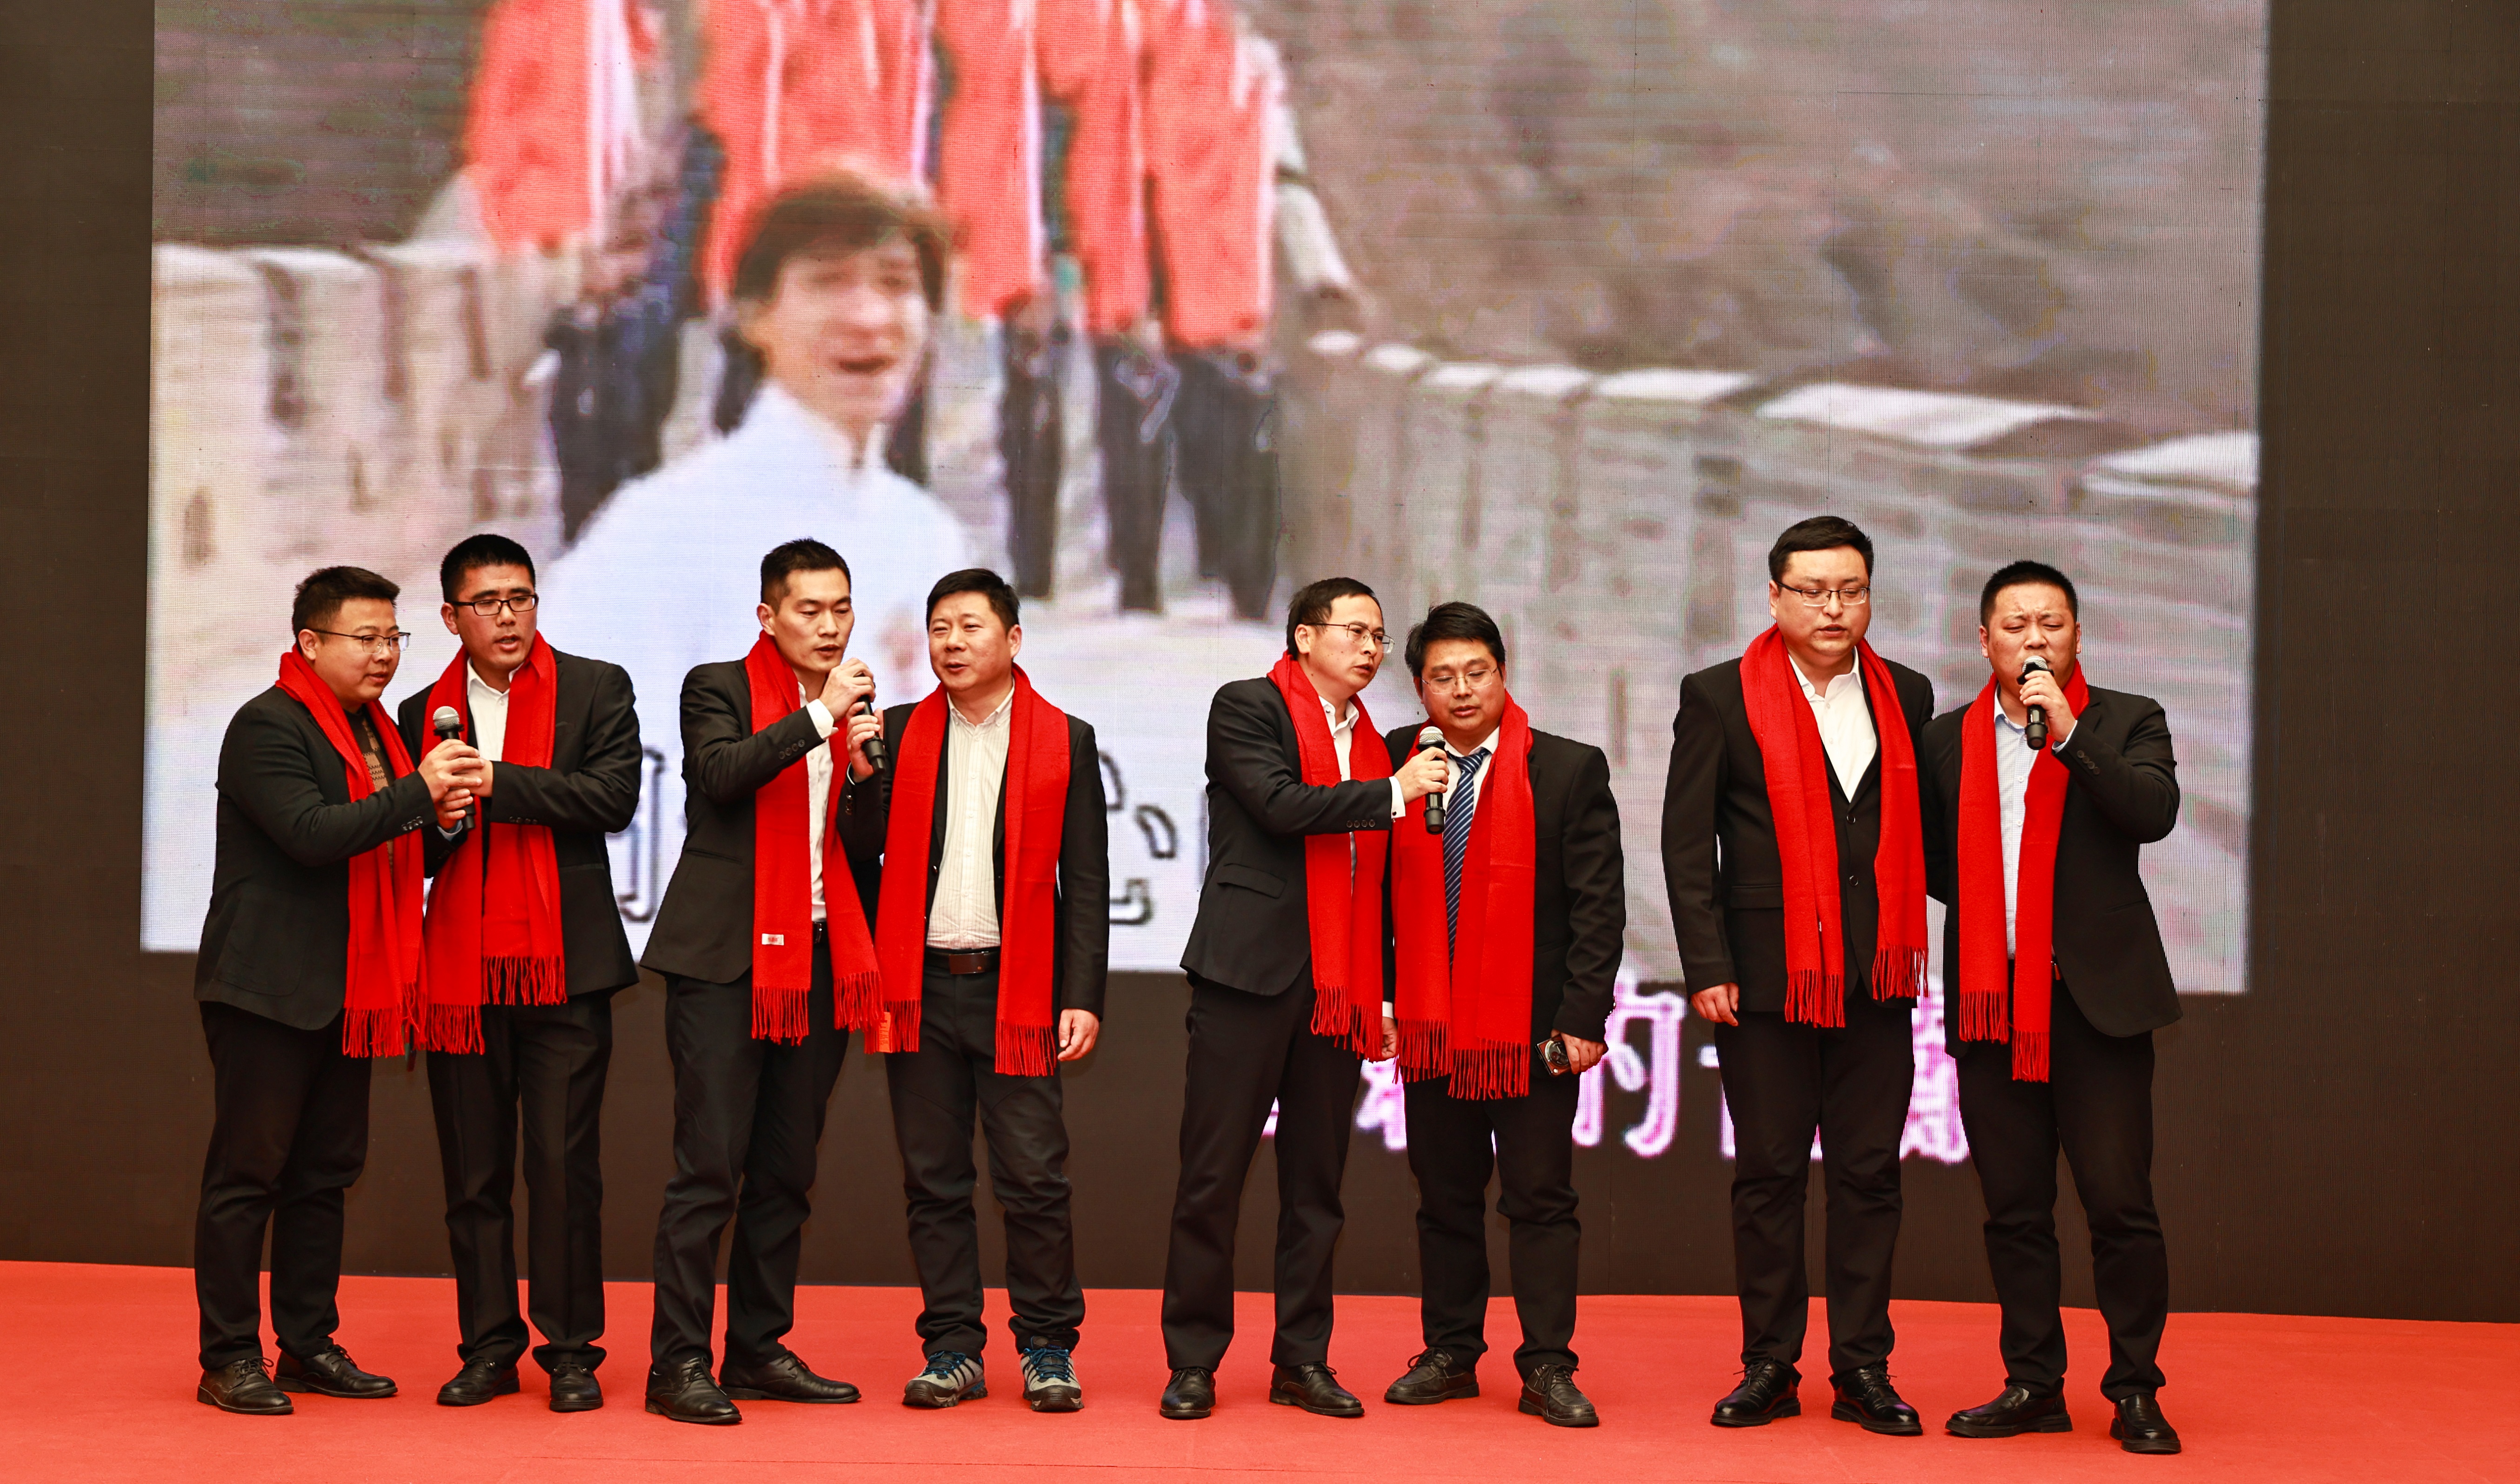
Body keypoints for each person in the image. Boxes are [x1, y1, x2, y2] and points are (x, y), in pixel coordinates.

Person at [539, 171, 971, 960]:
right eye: (827, 282)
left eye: (896, 284)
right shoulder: (663, 529)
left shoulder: (927, 536)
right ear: (752, 314)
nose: (868, 316)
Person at [1660, 515, 1935, 1435]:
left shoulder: (1907, 692)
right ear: (1774, 596)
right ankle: (1769, 1363)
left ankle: (1863, 1366)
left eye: (1850, 590)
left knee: (1870, 1177)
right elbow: (1686, 842)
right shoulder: (1717, 695)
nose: (1832, 607)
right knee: (1770, 1176)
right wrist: (1706, 962)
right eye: (1812, 591)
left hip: (1876, 979)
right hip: (1763, 980)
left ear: (1868, 596)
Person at [1156, 577, 1453, 1421]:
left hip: (1338, 990)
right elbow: (1279, 805)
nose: (1370, 647)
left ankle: (1302, 1359)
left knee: (1316, 1187)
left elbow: (1380, 881)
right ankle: (1193, 1361)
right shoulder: (1247, 706)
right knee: (1212, 1178)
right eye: (1355, 630)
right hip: (1247, 977)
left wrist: (1383, 993)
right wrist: (1395, 792)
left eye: (1379, 636)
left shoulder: (1377, 742)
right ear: (1302, 636)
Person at [193, 567, 481, 1415]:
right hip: (269, 987)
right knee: (249, 1174)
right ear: (310, 642)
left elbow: (397, 849)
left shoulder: (379, 734)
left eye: (394, 637)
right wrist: (419, 794)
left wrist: (444, 821)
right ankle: (228, 1355)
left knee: (323, 1174)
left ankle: (307, 1343)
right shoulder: (268, 724)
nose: (385, 654)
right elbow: (312, 835)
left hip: (353, 989)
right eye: (367, 638)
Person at [1922, 561, 2183, 1456]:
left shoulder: (2126, 719)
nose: (2033, 639)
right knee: (2014, 1208)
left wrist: (2069, 737)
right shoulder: (1945, 740)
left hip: (2092, 1004)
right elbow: (1934, 862)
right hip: (1992, 1004)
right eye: (2015, 624)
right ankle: (2033, 1382)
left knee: (2119, 1205)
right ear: (1983, 638)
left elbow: (2151, 811)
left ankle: (2135, 1388)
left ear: (2076, 634)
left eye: (2051, 623)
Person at [838, 568, 1109, 1411]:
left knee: (1033, 1179)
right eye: (939, 628)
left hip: (1016, 991)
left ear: (1013, 638)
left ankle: (1047, 1346)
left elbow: (1087, 879)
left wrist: (1081, 992)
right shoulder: (895, 732)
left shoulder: (1064, 739)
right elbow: (858, 851)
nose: (952, 643)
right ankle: (952, 1346)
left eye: (970, 626)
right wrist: (858, 779)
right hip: (919, 988)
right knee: (934, 1180)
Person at [638, 539, 889, 1425]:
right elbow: (718, 777)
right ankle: (677, 1362)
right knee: (709, 1168)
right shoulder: (717, 688)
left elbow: (868, 849)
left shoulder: (856, 709)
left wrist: (867, 771)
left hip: (819, 963)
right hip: (726, 963)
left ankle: (755, 1346)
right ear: (767, 616)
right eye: (809, 610)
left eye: (841, 608)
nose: (829, 626)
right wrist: (819, 718)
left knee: (785, 1171)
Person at [395, 534, 642, 1412]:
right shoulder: (420, 712)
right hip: (461, 977)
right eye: (487, 603)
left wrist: (500, 780)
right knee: (474, 1175)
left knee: (564, 1168)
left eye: (521, 598)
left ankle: (571, 1351)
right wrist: (443, 817)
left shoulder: (595, 687)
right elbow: (413, 850)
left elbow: (611, 799)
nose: (507, 617)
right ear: (450, 616)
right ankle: (489, 1346)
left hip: (565, 969)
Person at [1377, 603, 1622, 1429]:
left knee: (1540, 1198)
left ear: (1503, 672)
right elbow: (1371, 894)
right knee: (1443, 1198)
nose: (1461, 690)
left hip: (1531, 1029)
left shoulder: (1566, 768)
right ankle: (1449, 1352)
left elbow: (1598, 907)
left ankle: (1548, 1363)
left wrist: (1582, 1018)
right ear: (1419, 688)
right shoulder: (1394, 762)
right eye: (1441, 677)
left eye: (1475, 672)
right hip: (1431, 1027)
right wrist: (1385, 997)